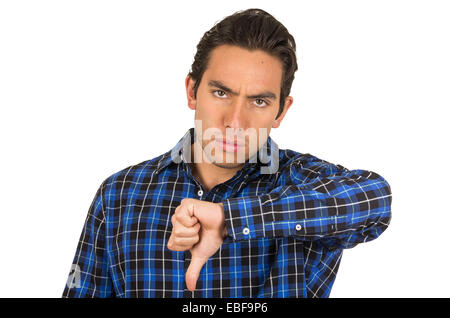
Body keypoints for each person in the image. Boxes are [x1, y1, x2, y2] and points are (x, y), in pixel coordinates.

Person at [62, 8, 392, 298]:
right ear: (192, 91)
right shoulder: (120, 194)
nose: (235, 122)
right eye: (221, 92)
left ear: (280, 112)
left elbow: (375, 198)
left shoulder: (304, 182)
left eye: (259, 101)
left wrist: (228, 219)